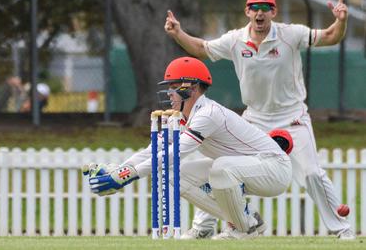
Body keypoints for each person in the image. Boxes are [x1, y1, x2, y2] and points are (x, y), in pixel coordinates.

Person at [164, 0, 354, 240]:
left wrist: (341, 21)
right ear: (247, 12)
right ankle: (205, 226)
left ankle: (342, 229)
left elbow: (330, 36)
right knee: (219, 166)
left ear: (273, 12)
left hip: (293, 117)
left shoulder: (290, 34)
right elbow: (201, 49)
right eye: (255, 7)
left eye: (265, 7)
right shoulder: (235, 40)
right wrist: (178, 33)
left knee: (310, 173)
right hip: (254, 119)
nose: (260, 12)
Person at [85, 57, 293, 239]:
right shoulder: (181, 118)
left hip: (274, 168)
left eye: (173, 87)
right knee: (173, 176)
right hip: (241, 167)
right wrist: (117, 172)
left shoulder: (208, 114)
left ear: (190, 88)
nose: (169, 93)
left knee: (220, 167)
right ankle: (247, 221)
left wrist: (127, 176)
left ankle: (242, 230)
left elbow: (174, 154)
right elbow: (153, 151)